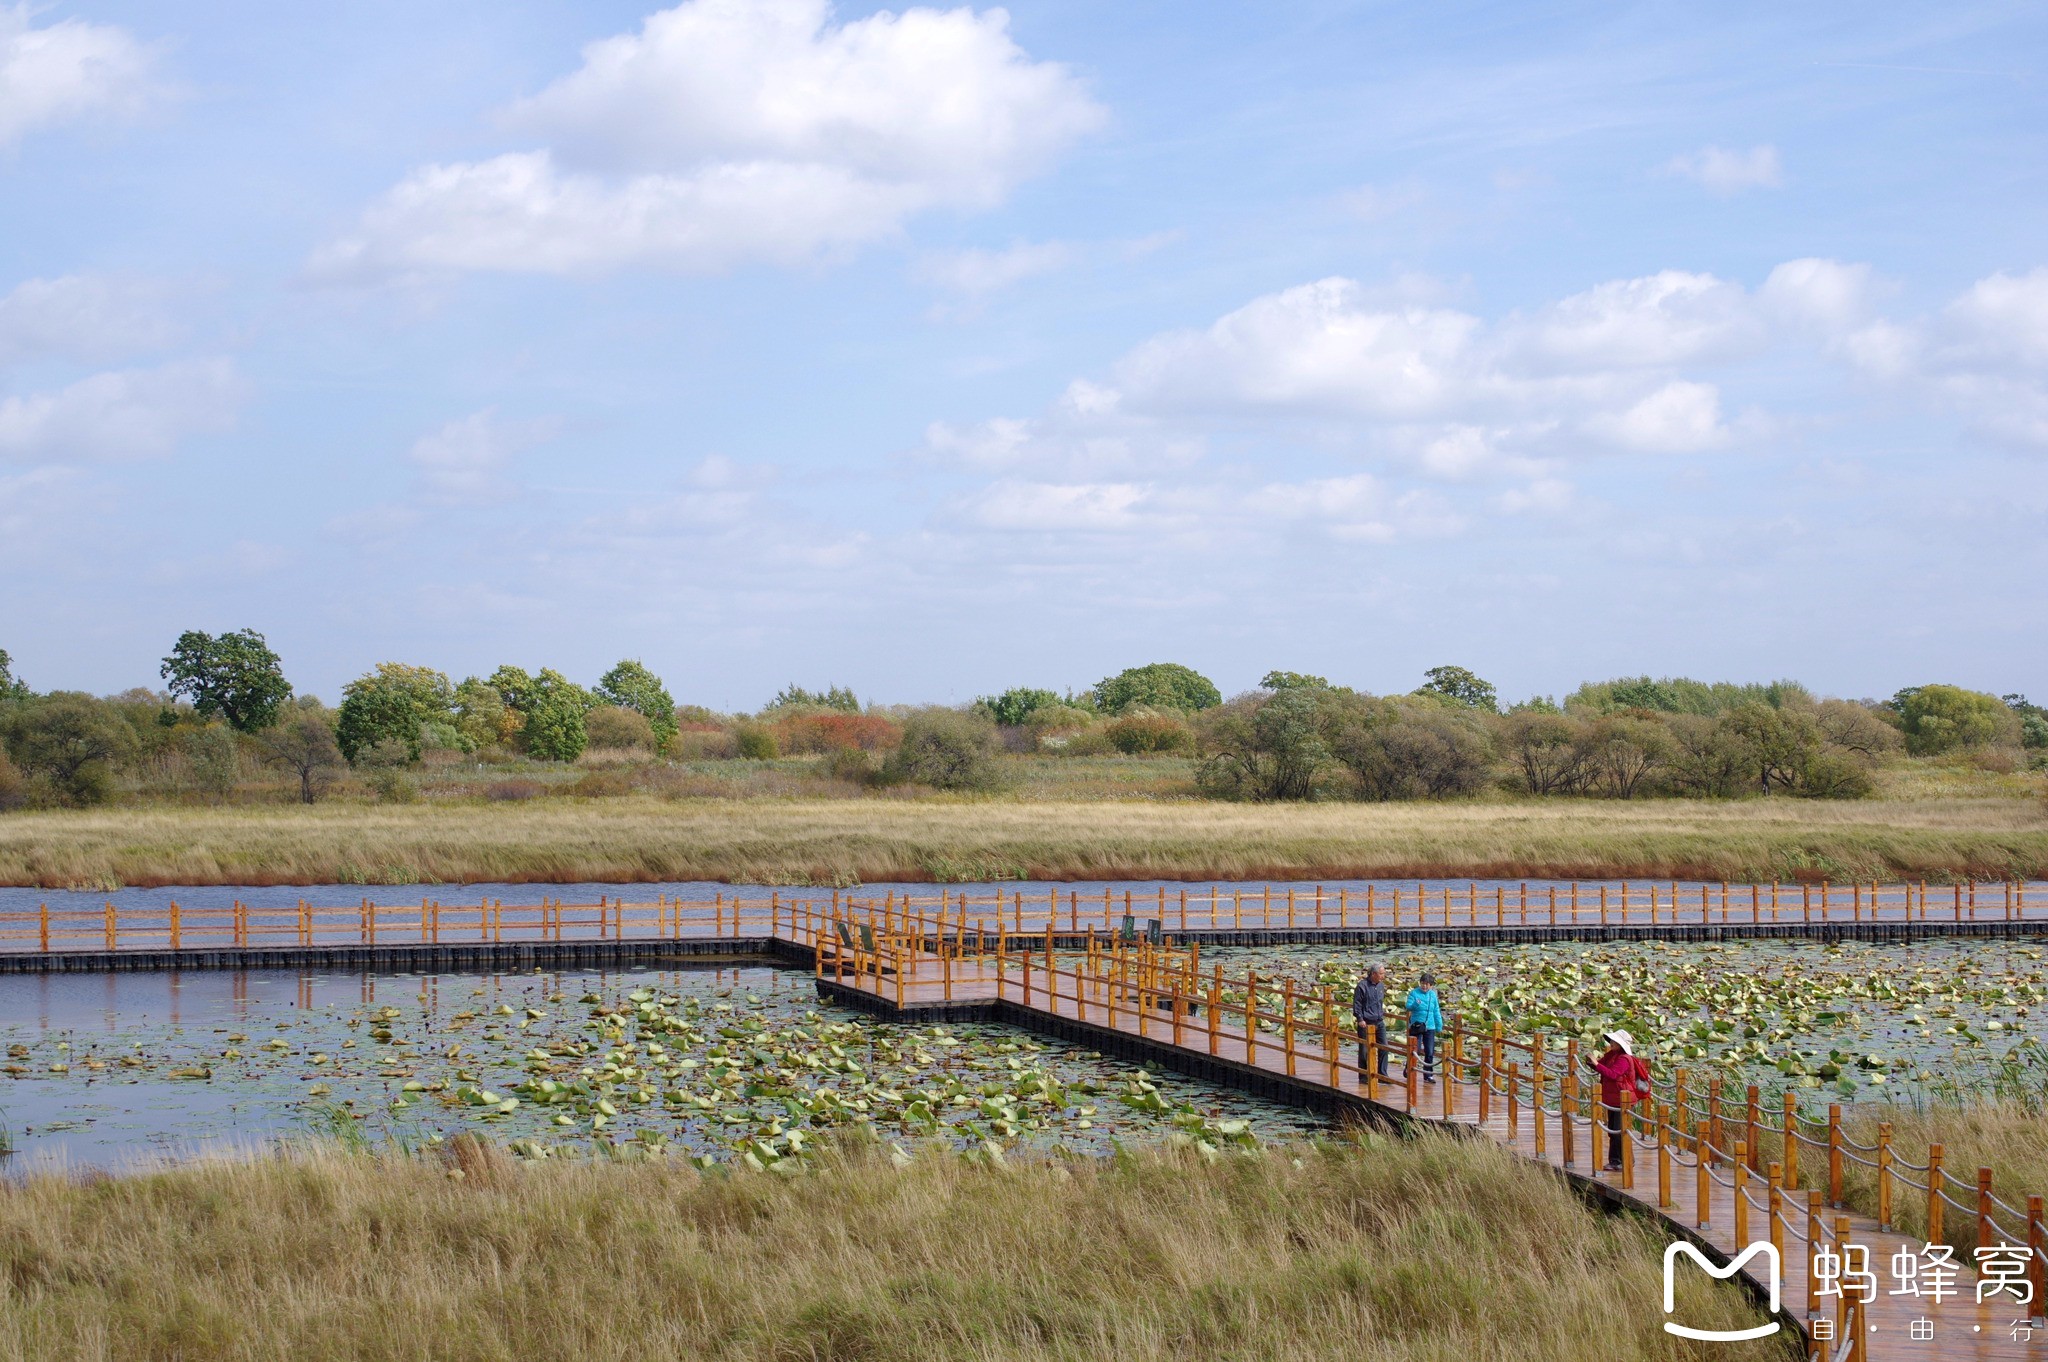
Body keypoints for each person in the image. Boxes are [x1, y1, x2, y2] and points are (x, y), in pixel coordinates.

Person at [1587, 1029, 1648, 1171]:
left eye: (1614, 1041)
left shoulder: (1624, 1059)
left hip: (1624, 1099)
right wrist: (1592, 1063)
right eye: (1611, 1040)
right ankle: (1615, 1160)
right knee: (1613, 1131)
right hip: (1613, 1098)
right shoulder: (1612, 1055)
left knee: (1619, 1131)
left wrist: (1596, 1064)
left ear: (1621, 1044)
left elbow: (1613, 1074)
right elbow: (1602, 1067)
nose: (1611, 1043)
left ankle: (1626, 1160)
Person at [1403, 972, 1444, 1083]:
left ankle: (1428, 1075)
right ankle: (1409, 1068)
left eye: (1427, 984)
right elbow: (1408, 1007)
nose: (1424, 986)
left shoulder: (1433, 995)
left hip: (1430, 1027)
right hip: (1417, 1025)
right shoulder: (1414, 993)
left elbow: (1436, 1011)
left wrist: (1439, 1025)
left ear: (1431, 986)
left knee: (1429, 1051)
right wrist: (1416, 1004)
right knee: (1415, 1050)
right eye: (1422, 983)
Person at [1352, 965, 1388, 1079]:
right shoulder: (1362, 986)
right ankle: (1363, 1076)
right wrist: (1360, 1019)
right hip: (1366, 1022)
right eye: (1381, 974)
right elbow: (1357, 1004)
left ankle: (1382, 1075)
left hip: (1379, 1020)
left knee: (1384, 1047)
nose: (1383, 976)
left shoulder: (1381, 985)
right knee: (1364, 1050)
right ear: (1373, 974)